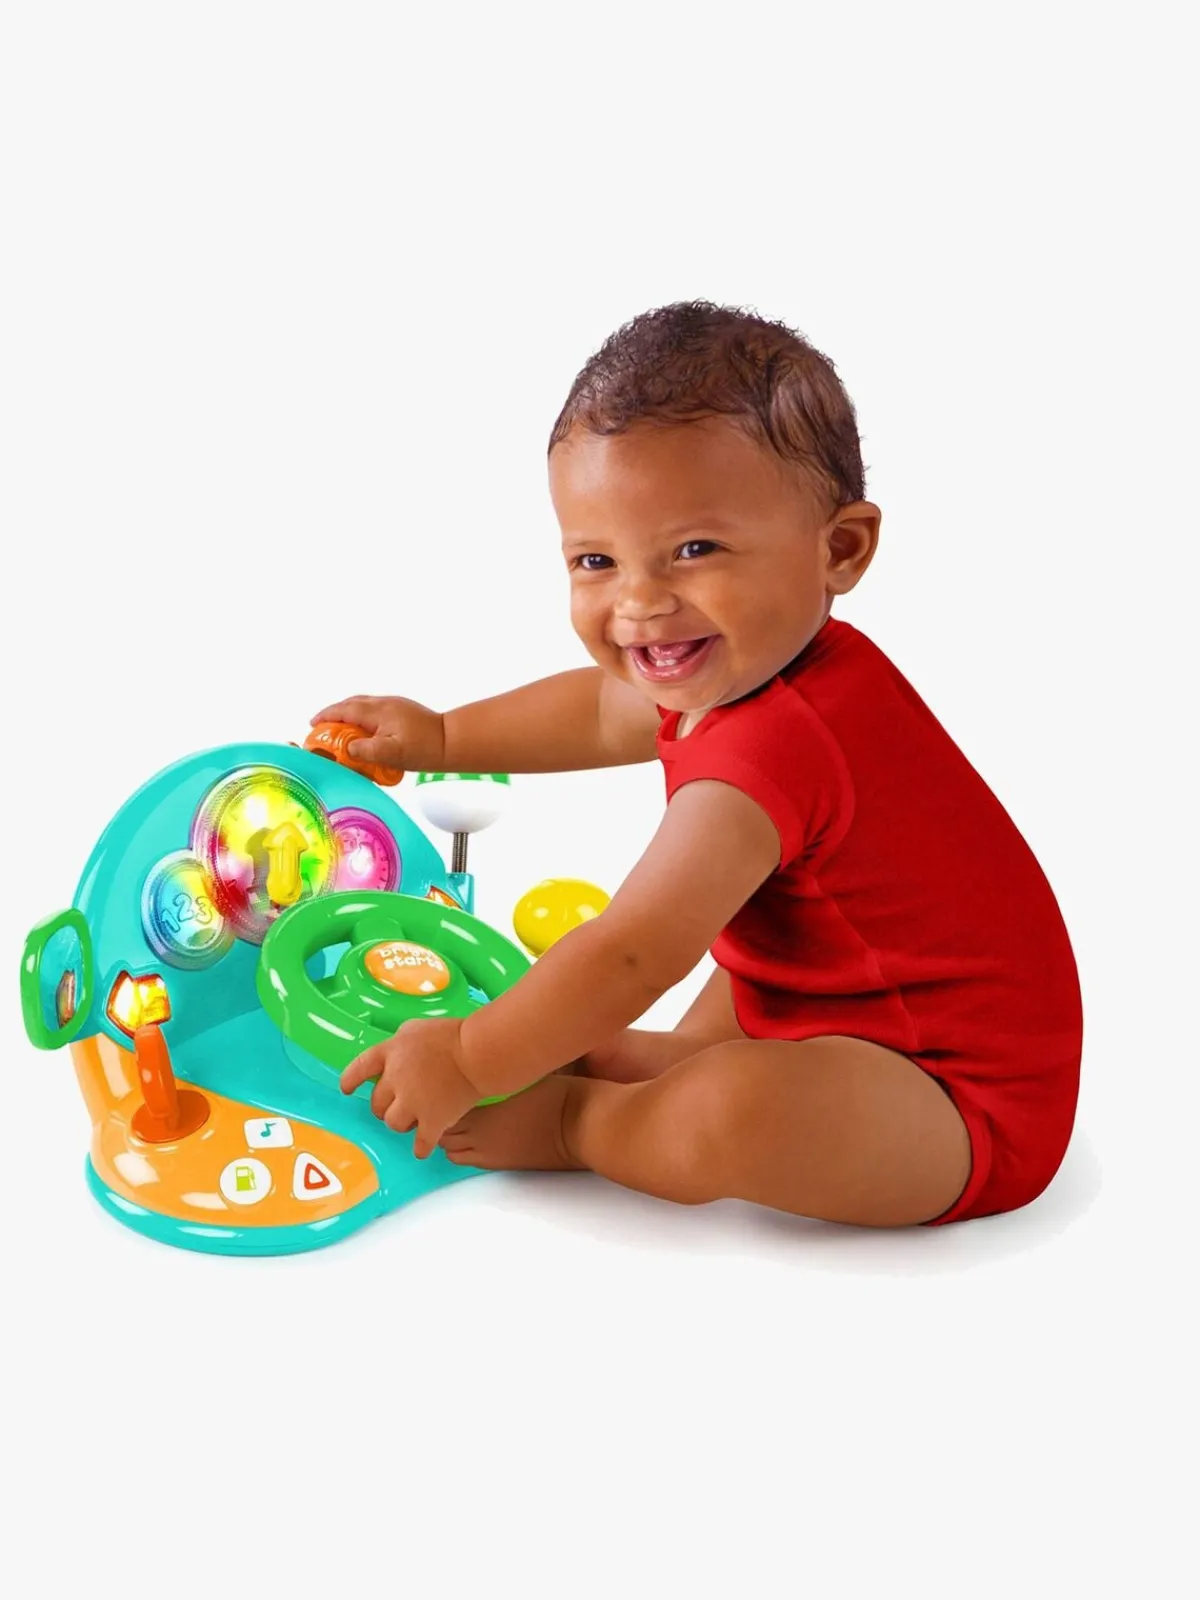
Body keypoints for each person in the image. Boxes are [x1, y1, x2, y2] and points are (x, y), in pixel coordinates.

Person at [311, 301, 1082, 1227]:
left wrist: (472, 1057)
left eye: (694, 550)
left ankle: (574, 1122)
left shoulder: (777, 740)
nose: (640, 603)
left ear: (840, 549)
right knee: (657, 1017)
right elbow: (600, 711)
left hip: (959, 1106)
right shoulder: (752, 662)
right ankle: (626, 1068)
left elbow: (635, 951)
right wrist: (443, 736)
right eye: (596, 560)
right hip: (827, 1003)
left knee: (723, 1110)